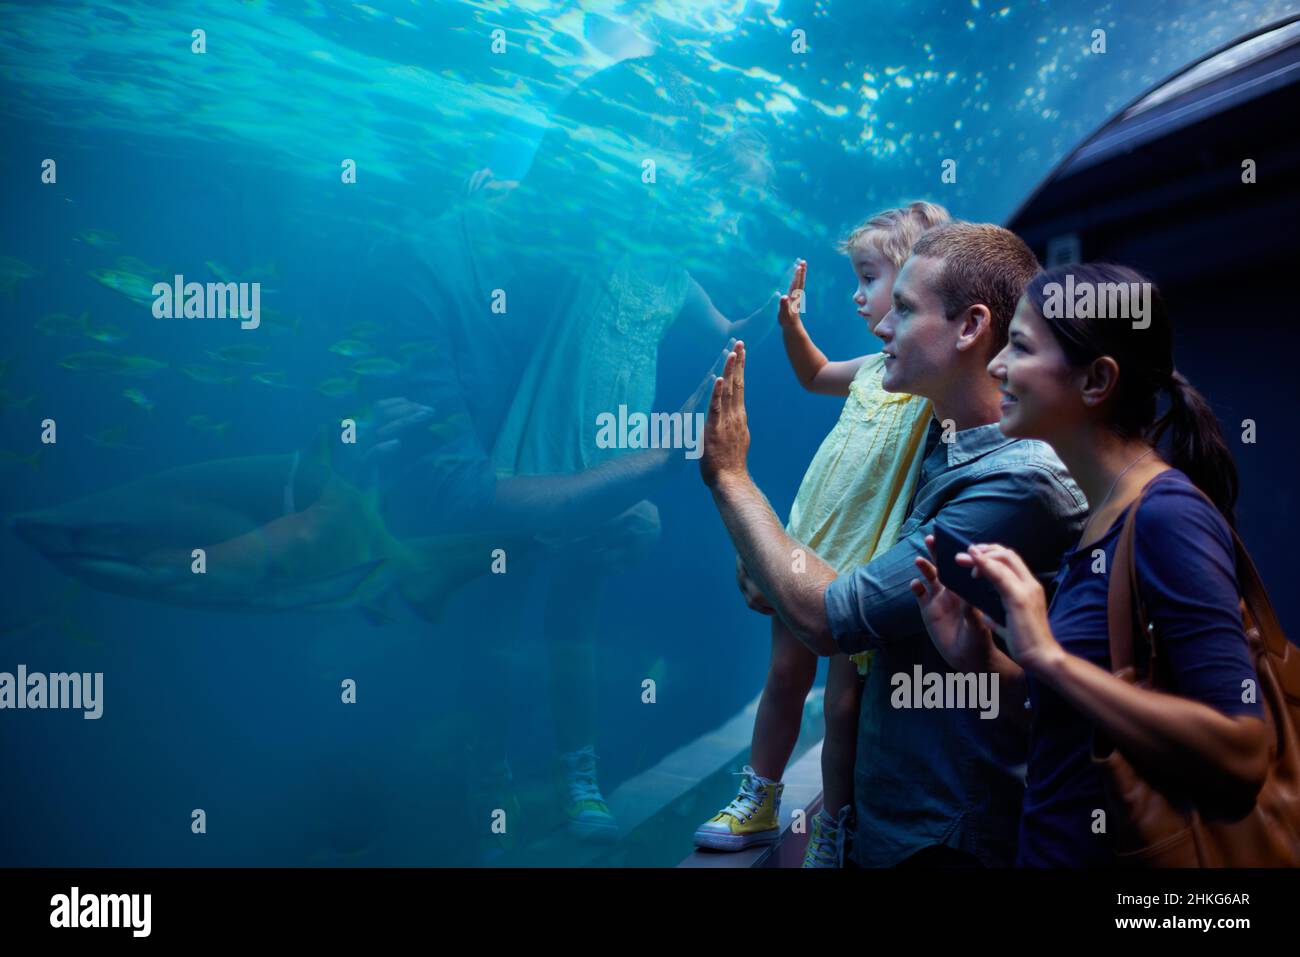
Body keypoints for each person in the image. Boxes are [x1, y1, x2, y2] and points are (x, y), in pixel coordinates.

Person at [699, 223, 1089, 867]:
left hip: (943, 842)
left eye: (903, 309)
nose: (881, 326)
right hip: (899, 827)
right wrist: (773, 561)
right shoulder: (935, 443)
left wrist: (732, 480)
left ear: (970, 329)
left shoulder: (1016, 483)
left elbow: (829, 618)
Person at [910, 263, 1268, 866]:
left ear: (1096, 381)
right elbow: (1079, 726)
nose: (997, 366)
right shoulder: (1102, 511)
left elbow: (1242, 753)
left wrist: (1047, 653)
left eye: (1019, 347)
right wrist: (986, 661)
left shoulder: (1166, 515)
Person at [693, 202, 951, 866]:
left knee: (842, 707)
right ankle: (760, 796)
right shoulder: (872, 368)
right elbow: (812, 374)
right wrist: (791, 325)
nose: (859, 294)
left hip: (863, 567)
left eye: (868, 277)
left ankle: (834, 825)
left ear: (912, 278)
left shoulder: (927, 380)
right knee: (783, 676)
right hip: (807, 547)